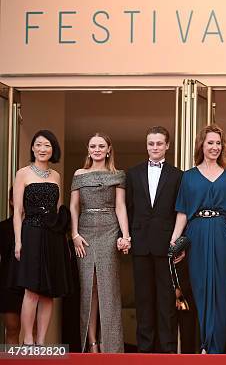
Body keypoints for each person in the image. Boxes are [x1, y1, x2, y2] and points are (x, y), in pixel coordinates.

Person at [170, 124, 226, 354]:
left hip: (222, 232)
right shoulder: (188, 177)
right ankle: (201, 344)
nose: (214, 147)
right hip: (197, 232)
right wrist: (174, 242)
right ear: (201, 145)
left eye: (218, 143)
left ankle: (215, 349)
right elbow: (182, 212)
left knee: (219, 290)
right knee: (199, 289)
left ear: (223, 147)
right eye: (210, 142)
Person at [70, 133, 130, 353]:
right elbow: (74, 206)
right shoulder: (79, 174)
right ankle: (92, 342)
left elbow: (120, 206)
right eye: (92, 146)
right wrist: (74, 234)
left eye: (101, 146)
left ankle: (111, 345)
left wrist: (125, 235)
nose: (96, 149)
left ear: (108, 149)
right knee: (89, 287)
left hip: (109, 230)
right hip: (84, 233)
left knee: (108, 287)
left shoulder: (118, 175)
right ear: (88, 150)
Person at [125, 126, 182, 353]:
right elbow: (128, 208)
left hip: (166, 244)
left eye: (159, 143)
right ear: (146, 145)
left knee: (167, 301)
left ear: (167, 145)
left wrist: (177, 243)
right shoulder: (133, 173)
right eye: (151, 143)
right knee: (143, 300)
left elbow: (180, 210)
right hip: (140, 243)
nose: (155, 147)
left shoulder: (178, 175)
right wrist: (126, 237)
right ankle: (144, 350)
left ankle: (168, 350)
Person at [13, 130, 72, 345]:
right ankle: (27, 341)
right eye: (38, 144)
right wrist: (18, 242)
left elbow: (57, 210)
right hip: (31, 233)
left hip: (53, 236)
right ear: (32, 147)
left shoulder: (56, 176)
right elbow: (18, 211)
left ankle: (41, 342)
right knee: (32, 290)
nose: (42, 149)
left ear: (53, 149)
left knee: (49, 292)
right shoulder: (22, 173)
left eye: (47, 145)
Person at [0, 188, 24, 344]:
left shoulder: (37, 229)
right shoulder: (2, 228)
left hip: (32, 283)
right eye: (17, 198)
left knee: (34, 329)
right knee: (12, 327)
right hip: (8, 284)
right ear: (10, 201)